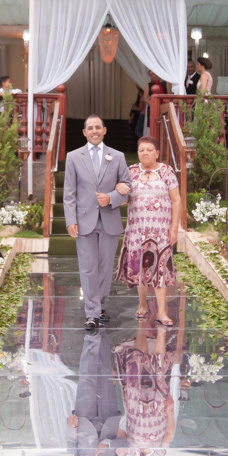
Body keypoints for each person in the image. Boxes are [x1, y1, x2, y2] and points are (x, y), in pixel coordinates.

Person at [63, 114, 131, 332]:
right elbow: (69, 192)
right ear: (84, 132)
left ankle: (100, 307)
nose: (94, 131)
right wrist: (71, 220)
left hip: (109, 219)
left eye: (98, 127)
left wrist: (111, 198)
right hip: (84, 220)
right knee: (88, 267)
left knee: (105, 267)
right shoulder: (73, 157)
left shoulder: (117, 156)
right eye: (90, 128)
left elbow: (127, 186)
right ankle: (91, 313)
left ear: (104, 130)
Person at [115, 136, 182, 326]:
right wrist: (119, 187)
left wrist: (174, 228)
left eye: (149, 150)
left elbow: (176, 200)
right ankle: (142, 304)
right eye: (141, 150)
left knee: (160, 269)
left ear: (157, 153)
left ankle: (162, 311)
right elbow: (123, 200)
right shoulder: (131, 172)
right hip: (137, 230)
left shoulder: (166, 171)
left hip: (161, 231)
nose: (145, 153)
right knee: (140, 268)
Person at [112, 316, 177, 456]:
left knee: (137, 363)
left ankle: (142, 322)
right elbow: (169, 433)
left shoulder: (129, 451)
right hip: (158, 406)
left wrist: (118, 445)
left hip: (134, 402)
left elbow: (121, 430)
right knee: (158, 368)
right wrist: (170, 411)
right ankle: (161, 331)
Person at [66, 327, 125, 456]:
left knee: (87, 378)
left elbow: (71, 451)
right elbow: (124, 446)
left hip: (85, 422)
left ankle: (91, 335)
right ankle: (102, 331)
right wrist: (108, 444)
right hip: (108, 421)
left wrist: (71, 428)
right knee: (105, 374)